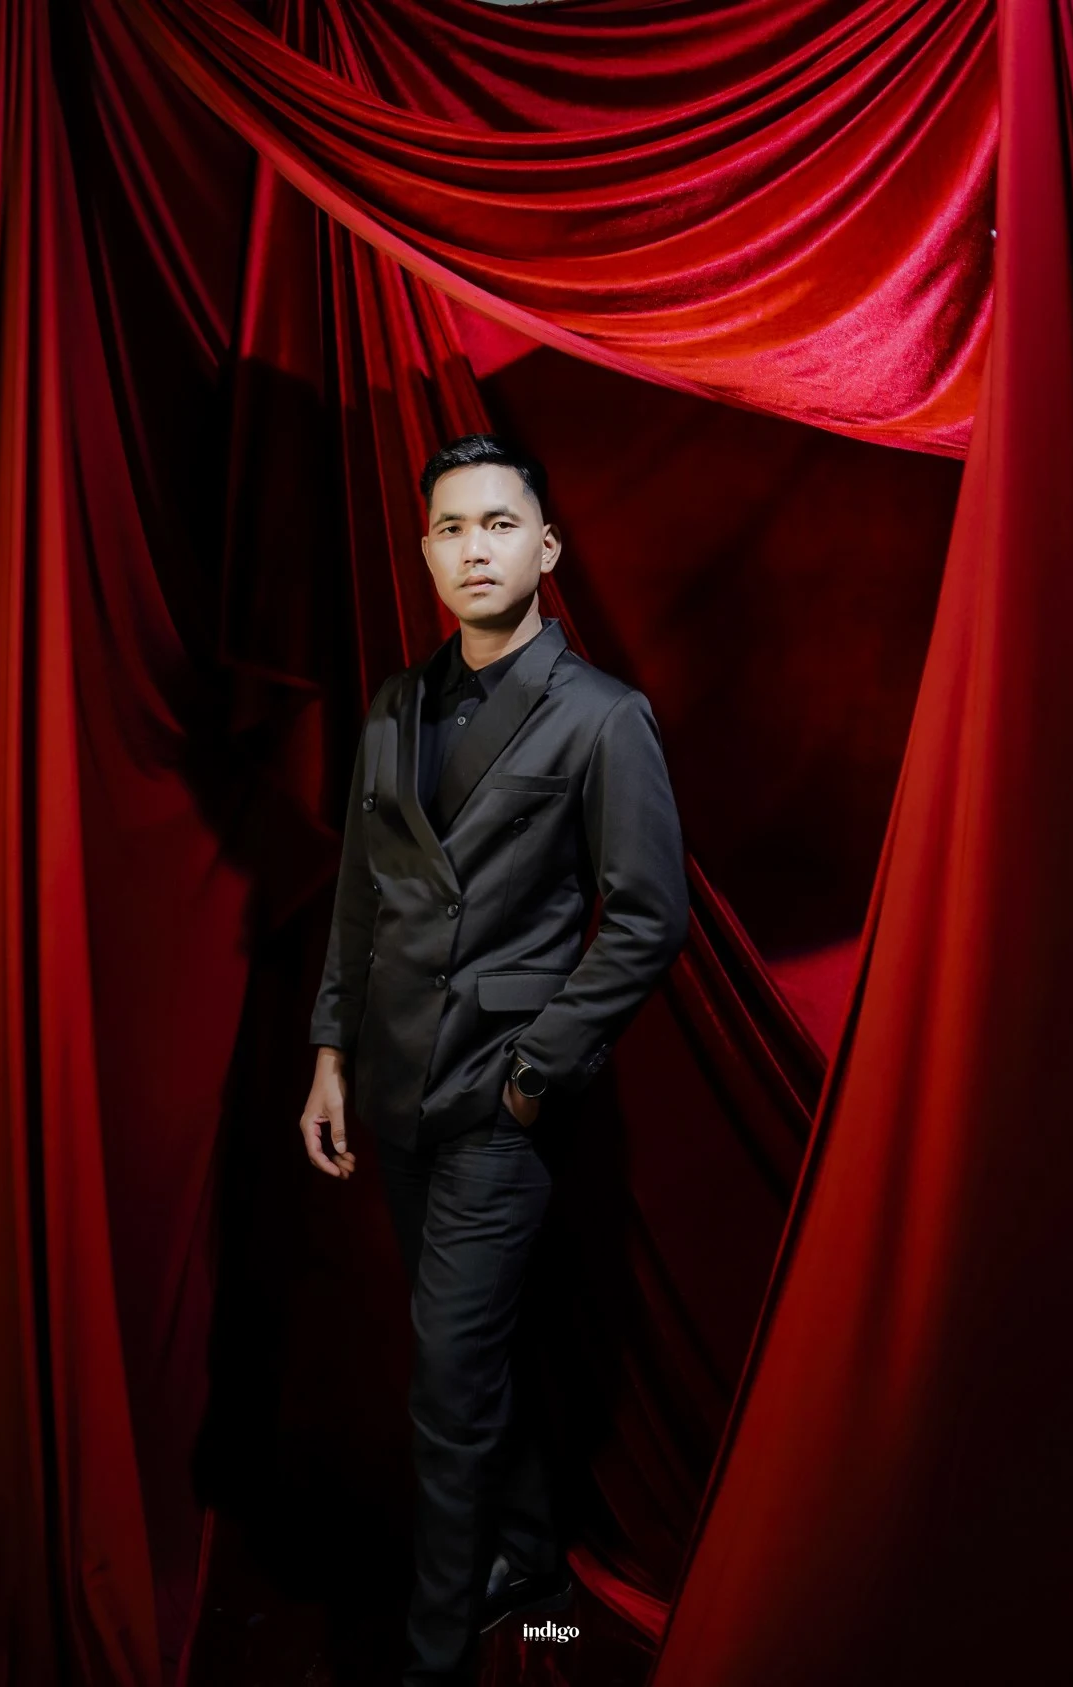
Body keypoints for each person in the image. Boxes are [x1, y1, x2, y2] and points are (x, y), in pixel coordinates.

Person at [299, 433, 689, 1687]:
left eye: (501, 524)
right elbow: (360, 893)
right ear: (426, 552)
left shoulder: (603, 716)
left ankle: (434, 1655)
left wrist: (534, 1073)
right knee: (466, 1351)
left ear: (546, 549)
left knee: (449, 1383)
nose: (476, 548)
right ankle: (525, 1562)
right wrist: (330, 1048)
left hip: (498, 1101)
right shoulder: (392, 705)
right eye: (453, 527)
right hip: (394, 1087)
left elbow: (648, 917)